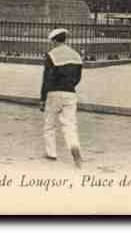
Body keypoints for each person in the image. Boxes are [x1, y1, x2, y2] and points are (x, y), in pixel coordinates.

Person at [40, 28, 83, 168]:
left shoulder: (51, 55)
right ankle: (75, 150)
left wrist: (42, 99)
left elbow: (46, 79)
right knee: (70, 126)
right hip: (70, 93)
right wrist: (69, 86)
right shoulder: (76, 55)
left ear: (53, 40)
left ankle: (51, 153)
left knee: (49, 124)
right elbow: (78, 78)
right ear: (65, 39)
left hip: (54, 93)